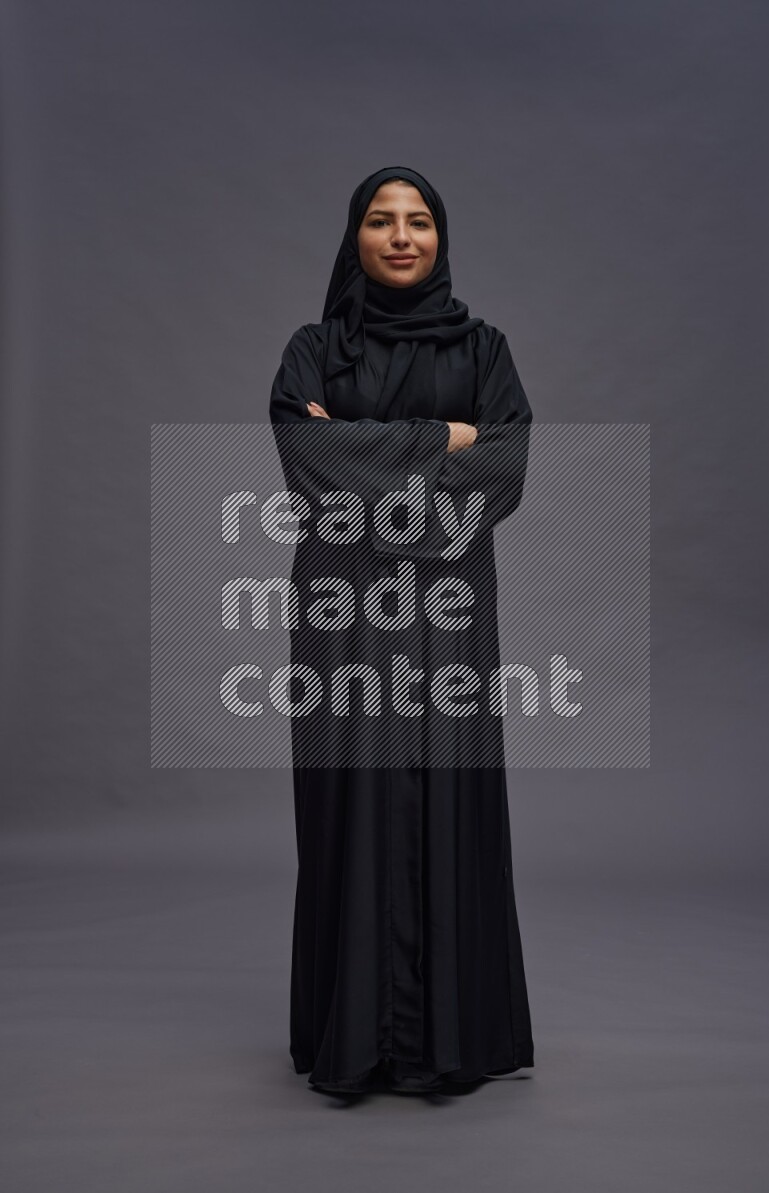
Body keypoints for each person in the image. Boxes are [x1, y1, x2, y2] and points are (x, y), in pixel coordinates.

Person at [269, 166, 534, 1095]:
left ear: (440, 237)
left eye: (418, 221)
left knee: (450, 798)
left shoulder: (486, 349)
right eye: (381, 220)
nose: (401, 236)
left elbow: (505, 468)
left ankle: (449, 1039)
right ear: (356, 237)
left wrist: (368, 460)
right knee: (350, 800)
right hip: (342, 612)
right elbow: (306, 459)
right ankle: (355, 1036)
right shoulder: (313, 352)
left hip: (448, 614)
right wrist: (443, 438)